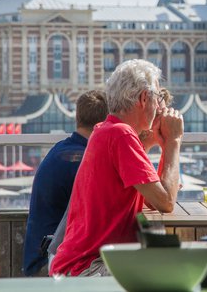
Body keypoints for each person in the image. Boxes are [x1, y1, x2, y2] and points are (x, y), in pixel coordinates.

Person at [50, 59, 183, 277]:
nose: (161, 106)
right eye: (158, 98)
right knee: (174, 273)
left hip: (81, 261)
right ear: (143, 98)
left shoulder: (107, 129)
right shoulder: (120, 135)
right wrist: (174, 141)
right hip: (89, 266)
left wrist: (155, 142)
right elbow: (165, 201)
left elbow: (153, 199)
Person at [23, 89, 108, 276]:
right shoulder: (84, 160)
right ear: (103, 124)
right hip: (49, 264)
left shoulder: (62, 149)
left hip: (37, 259)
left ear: (77, 118)